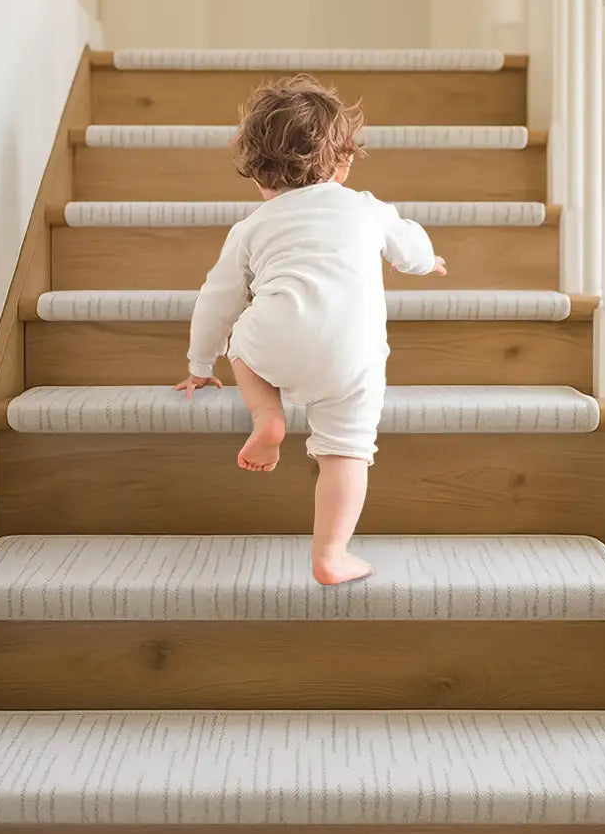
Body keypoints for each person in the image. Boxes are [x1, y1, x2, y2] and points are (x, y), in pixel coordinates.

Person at [174, 74, 446, 585]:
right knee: (347, 451)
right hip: (353, 355)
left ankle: (267, 415)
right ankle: (331, 553)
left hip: (276, 336)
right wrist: (428, 262)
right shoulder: (365, 206)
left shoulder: (252, 226)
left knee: (242, 339)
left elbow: (217, 299)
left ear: (258, 175)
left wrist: (198, 363)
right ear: (341, 163)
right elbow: (411, 249)